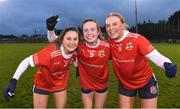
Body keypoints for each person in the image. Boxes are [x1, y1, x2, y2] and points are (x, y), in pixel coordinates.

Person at [105, 12, 177, 108]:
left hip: (146, 81)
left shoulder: (137, 39)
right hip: (125, 83)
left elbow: (155, 55)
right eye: (107, 25)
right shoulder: (108, 43)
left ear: (123, 26)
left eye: (114, 24)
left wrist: (167, 65)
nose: (110, 28)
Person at [3, 22, 80, 108]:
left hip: (60, 83)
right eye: (68, 39)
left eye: (75, 39)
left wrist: (77, 67)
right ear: (62, 40)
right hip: (42, 84)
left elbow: (74, 57)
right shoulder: (51, 52)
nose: (72, 42)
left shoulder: (76, 51)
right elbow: (27, 61)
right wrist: (13, 81)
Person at [46, 17, 110, 108]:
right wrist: (50, 29)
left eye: (92, 29)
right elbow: (55, 41)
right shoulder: (79, 46)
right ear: (83, 33)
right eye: (86, 30)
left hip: (102, 84)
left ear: (98, 31)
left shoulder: (107, 46)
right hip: (86, 84)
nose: (89, 33)